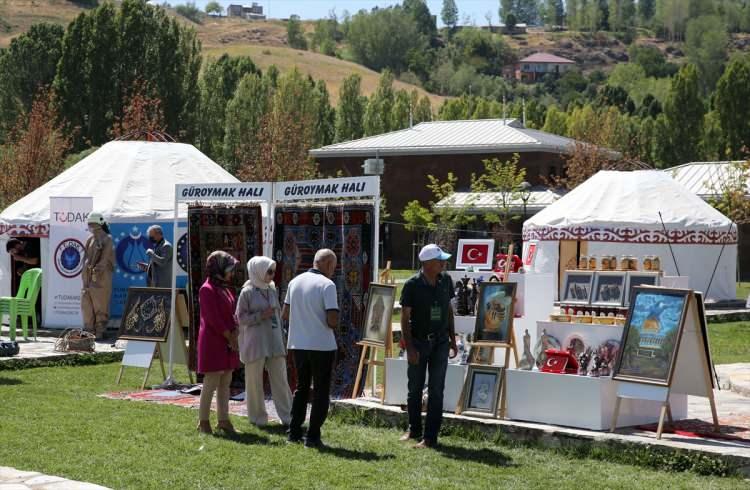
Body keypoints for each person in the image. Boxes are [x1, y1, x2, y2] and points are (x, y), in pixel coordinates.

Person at [400, 244, 458, 449]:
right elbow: (405, 319)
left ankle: (430, 437)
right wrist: (410, 348)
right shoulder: (412, 285)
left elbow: (449, 311)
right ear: (428, 264)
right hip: (418, 342)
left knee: (436, 389)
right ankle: (414, 428)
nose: (444, 263)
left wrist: (452, 338)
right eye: (440, 260)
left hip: (441, 342)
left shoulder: (446, 281)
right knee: (414, 387)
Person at [282, 249, 338, 448]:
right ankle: (313, 436)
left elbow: (285, 314)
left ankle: (294, 432)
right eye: (334, 266)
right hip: (321, 345)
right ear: (329, 264)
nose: (334, 270)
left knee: (301, 388)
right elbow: (332, 320)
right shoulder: (328, 285)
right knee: (321, 391)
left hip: (298, 344)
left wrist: (304, 320)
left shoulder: (294, 282)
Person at [236, 256, 292, 427]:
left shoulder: (271, 289)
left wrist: (282, 339)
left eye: (273, 271)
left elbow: (276, 315)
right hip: (256, 342)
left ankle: (289, 418)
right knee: (254, 383)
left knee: (281, 380)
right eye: (269, 271)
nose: (272, 275)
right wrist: (260, 316)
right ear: (258, 271)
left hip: (274, 340)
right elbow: (240, 318)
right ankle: (257, 418)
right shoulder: (247, 292)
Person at [197, 251, 241, 435]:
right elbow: (212, 318)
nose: (232, 273)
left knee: (226, 381)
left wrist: (236, 331)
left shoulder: (225, 288)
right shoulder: (207, 289)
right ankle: (203, 422)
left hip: (227, 341)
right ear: (219, 269)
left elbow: (233, 313)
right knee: (211, 381)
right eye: (229, 269)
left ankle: (223, 420)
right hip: (213, 341)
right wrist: (229, 336)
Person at [81, 213, 115, 340]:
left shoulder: (107, 239)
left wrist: (95, 271)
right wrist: (85, 273)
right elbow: (85, 258)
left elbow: (105, 259)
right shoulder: (90, 239)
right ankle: (89, 330)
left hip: (101, 278)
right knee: (87, 305)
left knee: (100, 305)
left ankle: (100, 331)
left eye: (91, 224)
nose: (90, 226)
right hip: (87, 278)